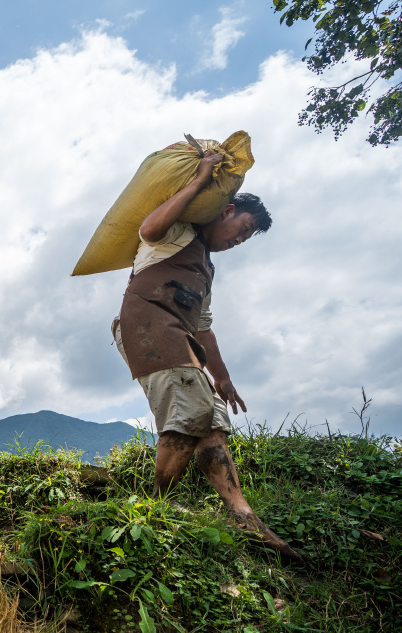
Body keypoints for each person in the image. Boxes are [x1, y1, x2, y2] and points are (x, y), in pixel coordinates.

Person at [112, 150, 299, 559]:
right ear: (226, 210)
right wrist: (199, 180)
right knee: (190, 412)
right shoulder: (179, 231)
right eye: (241, 228)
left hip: (180, 337)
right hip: (147, 324)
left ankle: (242, 515)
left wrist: (224, 377)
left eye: (247, 238)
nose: (239, 240)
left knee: (213, 423)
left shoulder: (206, 269)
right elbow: (148, 227)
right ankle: (153, 509)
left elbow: (203, 327)